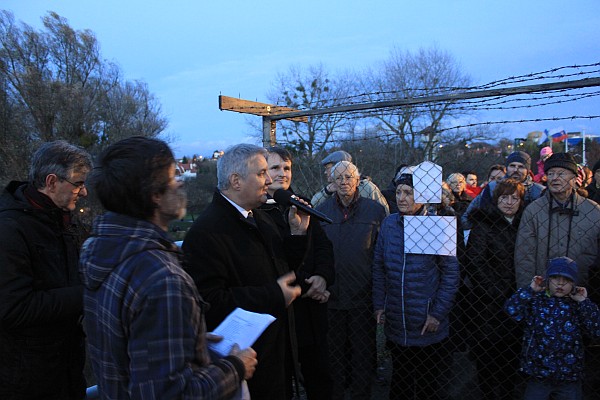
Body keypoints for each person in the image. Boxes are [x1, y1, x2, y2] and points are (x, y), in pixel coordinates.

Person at [80, 136, 257, 399]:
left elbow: (129, 345)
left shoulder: (100, 250)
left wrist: (190, 341)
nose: (181, 184)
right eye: (174, 177)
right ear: (155, 195)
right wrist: (234, 367)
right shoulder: (162, 279)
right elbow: (171, 393)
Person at [182, 143, 307, 399]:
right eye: (261, 173)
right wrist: (272, 295)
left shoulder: (259, 217)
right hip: (243, 365)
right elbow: (210, 302)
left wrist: (297, 235)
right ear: (236, 181)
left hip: (275, 352)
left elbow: (282, 268)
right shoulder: (207, 233)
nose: (270, 180)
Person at [0, 140, 92, 400]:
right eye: (78, 183)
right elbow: (13, 308)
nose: (83, 192)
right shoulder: (10, 229)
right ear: (52, 182)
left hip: (64, 370)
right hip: (30, 380)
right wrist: (87, 294)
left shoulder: (59, 219)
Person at [373, 169, 460, 399]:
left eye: (408, 193)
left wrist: (438, 314)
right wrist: (379, 304)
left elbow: (450, 275)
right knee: (400, 383)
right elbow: (379, 267)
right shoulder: (390, 224)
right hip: (397, 321)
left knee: (426, 386)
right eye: (399, 192)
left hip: (425, 323)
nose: (401, 198)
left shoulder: (437, 225)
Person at [260, 146, 335, 399]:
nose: (282, 174)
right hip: (283, 315)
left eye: (287, 168)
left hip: (313, 312)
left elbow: (323, 245)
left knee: (321, 379)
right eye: (275, 168)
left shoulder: (302, 202)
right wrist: (307, 285)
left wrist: (323, 277)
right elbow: (277, 262)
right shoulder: (256, 213)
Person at [316, 160, 387, 400]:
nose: (344, 182)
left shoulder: (374, 210)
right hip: (332, 296)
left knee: (362, 355)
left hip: (363, 296)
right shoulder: (323, 211)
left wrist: (379, 297)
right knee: (334, 355)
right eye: (339, 178)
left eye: (349, 177)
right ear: (332, 182)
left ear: (358, 180)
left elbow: (381, 256)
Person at [505, 257, 600, 400]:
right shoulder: (537, 300)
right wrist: (530, 290)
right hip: (538, 372)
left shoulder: (577, 305)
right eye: (555, 278)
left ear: (574, 283)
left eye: (566, 279)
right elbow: (511, 309)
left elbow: (596, 329)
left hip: (569, 374)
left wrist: (583, 302)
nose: (560, 283)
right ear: (547, 279)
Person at [464, 178, 525, 399]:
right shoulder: (484, 224)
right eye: (504, 198)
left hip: (518, 299)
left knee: (511, 354)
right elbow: (475, 262)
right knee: (488, 354)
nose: (509, 203)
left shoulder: (524, 224)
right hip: (487, 303)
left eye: (514, 198)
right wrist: (495, 291)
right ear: (495, 199)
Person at [514, 152, 600, 288]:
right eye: (551, 174)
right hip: (542, 291)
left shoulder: (594, 211)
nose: (555, 178)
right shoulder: (533, 211)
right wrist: (528, 291)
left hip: (583, 291)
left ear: (574, 178)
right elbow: (524, 256)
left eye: (561, 174)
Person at [462, 151, 545, 229]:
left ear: (527, 171)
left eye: (521, 167)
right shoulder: (492, 187)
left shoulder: (538, 191)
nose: (516, 170)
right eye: (512, 166)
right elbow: (468, 216)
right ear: (506, 168)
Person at [310, 150, 389, 213]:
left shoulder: (367, 187)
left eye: (327, 168)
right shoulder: (330, 190)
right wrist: (327, 192)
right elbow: (312, 206)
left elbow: (384, 212)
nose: (325, 172)